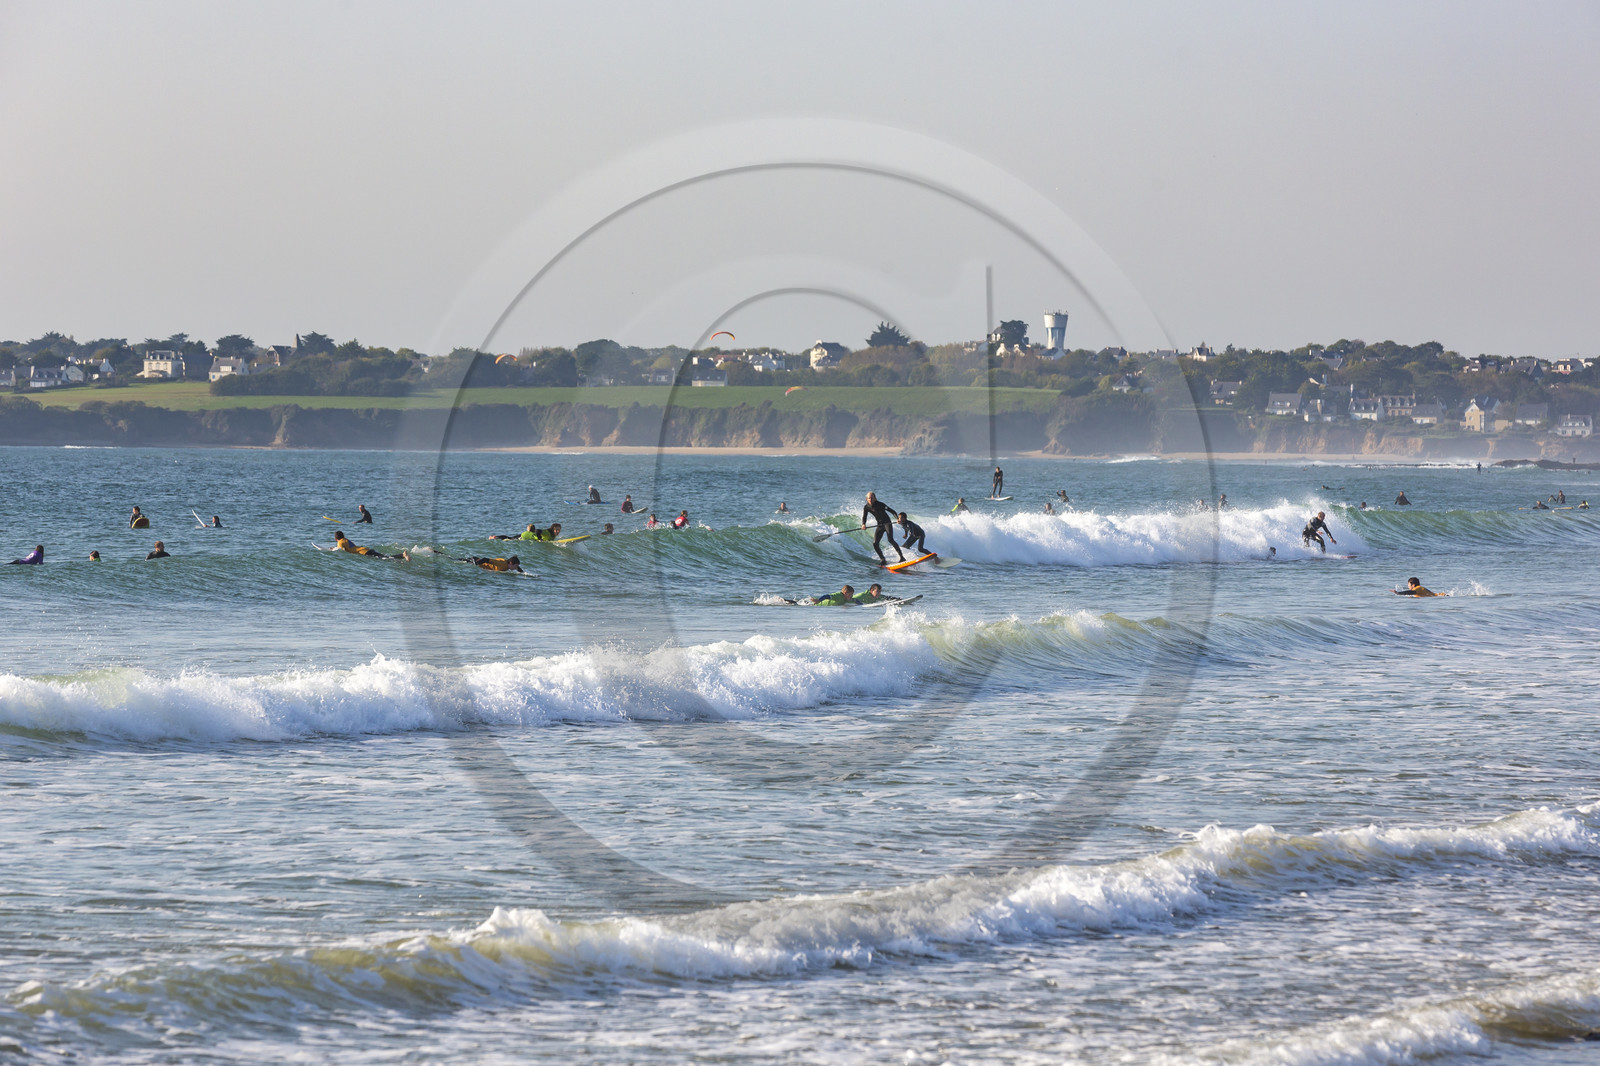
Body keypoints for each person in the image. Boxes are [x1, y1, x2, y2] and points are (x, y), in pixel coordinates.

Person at [860, 491, 904, 564]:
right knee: (875, 543)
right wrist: (863, 524)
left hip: (887, 523)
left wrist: (897, 519)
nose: (870, 499)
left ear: (875, 498)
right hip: (880, 525)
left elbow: (892, 511)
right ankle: (883, 559)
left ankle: (902, 557)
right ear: (866, 499)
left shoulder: (880, 504)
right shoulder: (866, 507)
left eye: (872, 498)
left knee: (890, 539)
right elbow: (864, 517)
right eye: (869, 498)